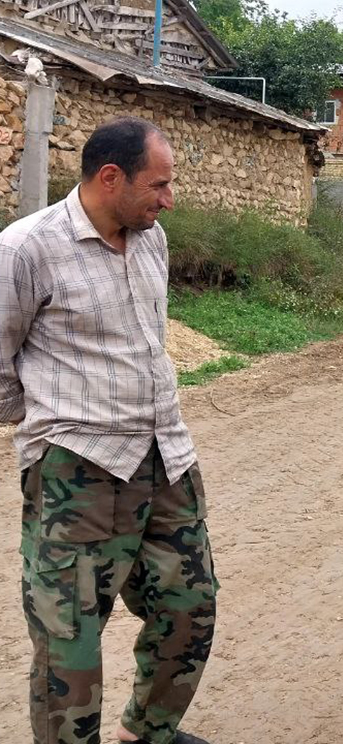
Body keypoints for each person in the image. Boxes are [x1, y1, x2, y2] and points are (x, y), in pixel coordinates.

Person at [0, 117, 217, 744]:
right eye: (158, 185)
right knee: (69, 636)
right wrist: (54, 419)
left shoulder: (153, 238)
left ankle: (148, 732)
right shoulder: (26, 249)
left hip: (167, 458)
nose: (168, 199)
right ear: (110, 177)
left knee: (188, 611)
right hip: (77, 471)